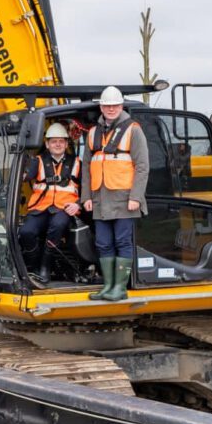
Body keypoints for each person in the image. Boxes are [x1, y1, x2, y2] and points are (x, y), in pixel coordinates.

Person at [81, 86, 150, 301]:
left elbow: (142, 166)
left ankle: (119, 288)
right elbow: (86, 167)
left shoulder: (133, 130)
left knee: (122, 242)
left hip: (124, 198)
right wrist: (86, 197)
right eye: (107, 106)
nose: (111, 109)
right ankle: (108, 286)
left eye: (115, 105)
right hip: (100, 198)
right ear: (101, 107)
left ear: (121, 106)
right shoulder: (93, 133)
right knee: (103, 242)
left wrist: (136, 198)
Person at [19, 122, 81, 283]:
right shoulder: (38, 161)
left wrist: (78, 204)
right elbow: (25, 177)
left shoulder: (76, 162)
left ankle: (45, 267)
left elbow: (88, 187)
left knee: (58, 226)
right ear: (47, 144)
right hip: (40, 207)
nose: (58, 144)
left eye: (61, 141)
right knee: (26, 232)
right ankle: (33, 267)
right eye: (54, 141)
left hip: (64, 208)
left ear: (67, 143)